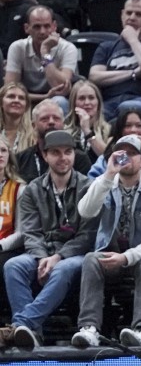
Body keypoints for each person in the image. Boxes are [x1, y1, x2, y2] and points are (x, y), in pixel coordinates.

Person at [70, 134, 141, 348]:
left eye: (133, 154)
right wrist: (108, 175)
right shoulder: (107, 182)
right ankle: (89, 328)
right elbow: (85, 211)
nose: (127, 158)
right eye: (122, 153)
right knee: (91, 259)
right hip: (113, 254)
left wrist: (126, 257)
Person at [2, 129, 95, 348]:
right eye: (56, 153)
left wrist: (58, 257)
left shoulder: (88, 187)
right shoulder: (33, 188)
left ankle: (22, 324)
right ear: (45, 156)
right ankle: (33, 334)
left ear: (74, 155)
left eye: (68, 152)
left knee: (62, 269)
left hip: (75, 254)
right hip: (40, 252)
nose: (63, 158)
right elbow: (31, 232)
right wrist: (42, 257)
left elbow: (87, 236)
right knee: (13, 265)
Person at [87, 0, 141, 118]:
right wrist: (133, 73)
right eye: (128, 13)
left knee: (128, 107)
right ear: (122, 15)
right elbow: (94, 77)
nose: (132, 17)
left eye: (138, 14)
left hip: (140, 100)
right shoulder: (106, 47)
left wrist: (133, 40)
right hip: (108, 101)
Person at [5, 5, 78, 107]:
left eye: (47, 26)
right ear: (27, 28)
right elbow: (9, 90)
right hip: (25, 100)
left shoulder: (68, 48)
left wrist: (45, 53)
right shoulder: (17, 47)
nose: (42, 31)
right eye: (37, 27)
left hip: (56, 101)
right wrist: (44, 97)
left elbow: (60, 87)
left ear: (54, 26)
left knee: (60, 101)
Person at [16, 100, 95, 182]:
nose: (51, 122)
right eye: (45, 119)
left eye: (56, 118)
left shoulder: (79, 158)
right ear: (34, 125)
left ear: (63, 124)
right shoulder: (21, 160)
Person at [0, 139, 26, 288]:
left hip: (7, 248)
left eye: (3, 150)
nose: (0, 155)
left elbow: (22, 232)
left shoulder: (19, 189)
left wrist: (1, 245)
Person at [65, 80, 111, 158]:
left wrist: (87, 131)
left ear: (98, 102)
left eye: (91, 98)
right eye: (82, 98)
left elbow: (109, 158)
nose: (87, 102)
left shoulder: (110, 130)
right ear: (73, 103)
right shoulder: (64, 132)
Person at [0, 83, 34, 154]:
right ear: (1, 103)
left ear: (26, 106)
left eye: (21, 98)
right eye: (11, 96)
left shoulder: (34, 137)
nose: (16, 100)